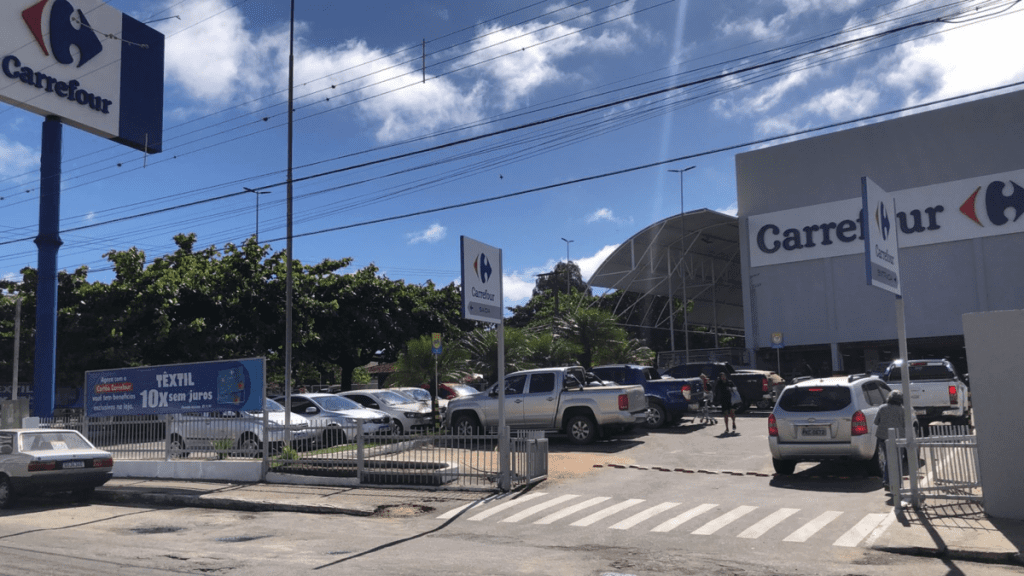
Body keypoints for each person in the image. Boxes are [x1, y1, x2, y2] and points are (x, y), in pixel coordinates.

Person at [874, 389, 905, 488]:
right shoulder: (902, 410)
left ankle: (887, 481)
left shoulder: (882, 408)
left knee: (888, 459)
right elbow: (905, 424)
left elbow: (876, 422)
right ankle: (898, 482)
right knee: (898, 460)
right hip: (898, 438)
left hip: (883, 437)